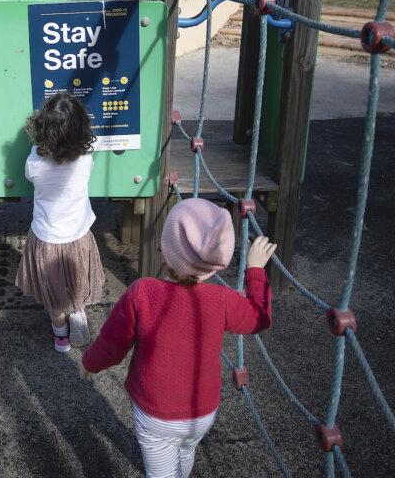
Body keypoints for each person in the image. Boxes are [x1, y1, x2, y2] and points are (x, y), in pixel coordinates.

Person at [79, 198, 276, 478]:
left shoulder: (142, 292)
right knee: (185, 450)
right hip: (202, 412)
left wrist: (89, 362)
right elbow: (260, 317)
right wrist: (255, 270)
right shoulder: (222, 299)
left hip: (156, 413)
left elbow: (113, 344)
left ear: (166, 248)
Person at [15, 92, 106, 352]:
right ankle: (78, 311)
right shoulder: (85, 161)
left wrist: (34, 143)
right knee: (78, 281)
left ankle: (61, 338)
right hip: (78, 236)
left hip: (46, 240)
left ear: (43, 129)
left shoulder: (34, 162)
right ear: (81, 130)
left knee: (55, 300)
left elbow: (31, 173)